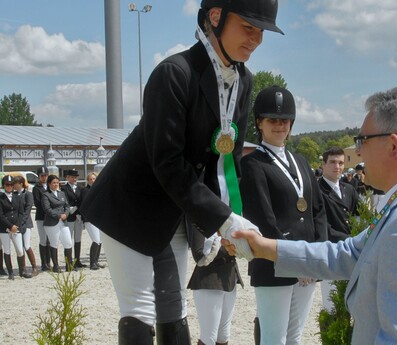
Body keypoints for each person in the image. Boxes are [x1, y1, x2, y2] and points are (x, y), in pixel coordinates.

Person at [79, 1, 284, 344]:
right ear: (215, 17)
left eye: (261, 31)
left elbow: (226, 161)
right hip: (132, 205)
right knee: (141, 307)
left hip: (176, 208)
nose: (257, 39)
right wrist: (223, 219)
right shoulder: (174, 73)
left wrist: (230, 219)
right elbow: (168, 162)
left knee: (174, 306)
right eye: (249, 27)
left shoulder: (242, 81)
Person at [228, 85, 397, 344]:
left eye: (362, 141)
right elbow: (348, 254)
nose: (357, 153)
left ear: (393, 146)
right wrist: (266, 247)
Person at [239, 86, 328, 345]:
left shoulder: (300, 161)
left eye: (284, 120)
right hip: (274, 264)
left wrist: (316, 255)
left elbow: (317, 211)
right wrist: (295, 261)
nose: (279, 126)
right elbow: (264, 220)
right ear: (260, 123)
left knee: (295, 337)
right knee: (273, 338)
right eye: (272, 120)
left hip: (308, 265)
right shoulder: (252, 163)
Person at [187, 223, 243, 345]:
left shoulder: (230, 208)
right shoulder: (199, 213)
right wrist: (233, 245)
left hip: (229, 276)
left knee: (223, 336)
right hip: (209, 278)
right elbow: (199, 252)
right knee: (209, 337)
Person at [318, 147, 359, 311]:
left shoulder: (349, 189)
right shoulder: (316, 190)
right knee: (332, 306)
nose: (337, 166)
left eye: (341, 163)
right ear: (324, 164)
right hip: (331, 251)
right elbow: (321, 225)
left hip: (351, 251)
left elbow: (359, 216)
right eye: (333, 162)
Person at [0, 175, 33, 279]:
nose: (9, 186)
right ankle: (10, 272)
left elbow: (20, 212)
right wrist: (10, 226)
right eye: (7, 185)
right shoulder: (1, 197)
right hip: (4, 228)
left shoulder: (17, 197)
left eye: (11, 184)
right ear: (3, 185)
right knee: (7, 250)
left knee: (19, 249)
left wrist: (16, 225)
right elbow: (0, 215)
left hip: (16, 227)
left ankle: (22, 271)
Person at [42, 174, 74, 273]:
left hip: (63, 221)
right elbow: (47, 209)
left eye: (57, 182)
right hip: (52, 222)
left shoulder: (62, 194)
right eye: (53, 183)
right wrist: (59, 215)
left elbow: (67, 206)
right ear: (49, 184)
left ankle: (69, 265)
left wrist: (66, 214)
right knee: (54, 243)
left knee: (68, 242)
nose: (55, 184)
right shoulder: (46, 195)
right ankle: (56, 266)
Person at [13, 175, 39, 276]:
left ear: (20, 184)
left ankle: (34, 267)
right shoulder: (14, 194)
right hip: (16, 223)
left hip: (26, 223)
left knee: (27, 245)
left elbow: (27, 210)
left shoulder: (28, 194)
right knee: (19, 246)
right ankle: (22, 268)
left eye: (15, 184)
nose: (13, 186)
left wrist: (22, 222)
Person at [80, 172, 104, 270]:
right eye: (91, 179)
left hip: (98, 218)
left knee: (100, 240)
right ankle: (92, 263)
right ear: (87, 180)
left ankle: (96, 261)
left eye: (94, 179)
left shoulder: (98, 190)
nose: (93, 180)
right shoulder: (85, 190)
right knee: (96, 240)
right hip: (89, 219)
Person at [61, 169, 85, 268]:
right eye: (72, 177)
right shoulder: (64, 188)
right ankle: (69, 262)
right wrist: (72, 209)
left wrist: (79, 211)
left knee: (78, 239)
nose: (74, 179)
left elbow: (82, 200)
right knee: (68, 239)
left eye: (75, 177)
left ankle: (77, 260)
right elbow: (65, 201)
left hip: (78, 216)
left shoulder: (80, 188)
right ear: (67, 178)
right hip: (69, 215)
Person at [32, 166, 52, 271]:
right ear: (39, 176)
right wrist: (48, 209)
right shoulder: (36, 188)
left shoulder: (50, 186)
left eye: (45, 175)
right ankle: (44, 263)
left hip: (50, 217)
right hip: (41, 216)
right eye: (42, 176)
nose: (44, 177)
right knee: (43, 239)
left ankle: (48, 262)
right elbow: (37, 203)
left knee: (49, 240)